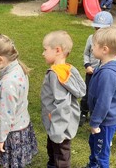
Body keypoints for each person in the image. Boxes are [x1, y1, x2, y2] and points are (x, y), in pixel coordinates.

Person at [0, 34, 38, 167]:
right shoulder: (17, 67)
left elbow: (7, 116)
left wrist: (0, 138)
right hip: (23, 123)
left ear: (0, 60)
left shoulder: (8, 84)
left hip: (12, 132)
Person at [41, 30, 86, 168]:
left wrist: (58, 130)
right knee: (54, 151)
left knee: (61, 156)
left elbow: (62, 104)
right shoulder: (68, 69)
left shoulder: (55, 75)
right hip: (56, 122)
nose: (43, 53)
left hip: (59, 126)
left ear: (58, 50)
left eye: (45, 49)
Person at [86, 26, 116, 168]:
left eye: (94, 45)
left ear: (105, 49)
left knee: (101, 152)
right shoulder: (112, 65)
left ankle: (98, 165)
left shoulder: (107, 74)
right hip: (105, 119)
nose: (91, 48)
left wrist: (95, 122)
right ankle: (92, 165)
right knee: (95, 144)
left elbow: (104, 102)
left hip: (105, 121)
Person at [79, 11, 116, 126]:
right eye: (97, 28)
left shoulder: (111, 44)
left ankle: (96, 114)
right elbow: (86, 53)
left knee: (101, 95)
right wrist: (87, 65)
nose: (98, 31)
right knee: (88, 93)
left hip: (102, 74)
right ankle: (84, 112)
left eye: (102, 28)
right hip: (91, 72)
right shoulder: (91, 38)